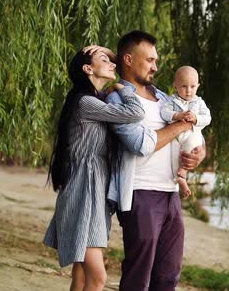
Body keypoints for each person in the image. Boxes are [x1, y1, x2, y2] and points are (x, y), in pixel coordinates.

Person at [106, 30, 206, 291]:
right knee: (139, 276)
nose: (155, 66)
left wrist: (199, 154)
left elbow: (195, 132)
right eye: (149, 59)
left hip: (171, 193)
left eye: (156, 60)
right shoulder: (117, 99)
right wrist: (181, 127)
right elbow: (140, 144)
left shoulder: (163, 97)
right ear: (128, 60)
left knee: (169, 275)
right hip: (140, 194)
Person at [43, 47, 145, 291]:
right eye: (104, 60)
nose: (112, 63)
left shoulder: (92, 101)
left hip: (93, 188)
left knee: (81, 275)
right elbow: (136, 113)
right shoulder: (86, 103)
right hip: (83, 190)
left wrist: (108, 52)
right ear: (88, 69)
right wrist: (123, 87)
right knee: (98, 278)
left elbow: (119, 64)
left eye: (111, 60)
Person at [160, 66, 211, 198]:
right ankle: (179, 179)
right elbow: (164, 113)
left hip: (192, 134)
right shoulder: (171, 101)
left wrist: (196, 118)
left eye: (192, 87)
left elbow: (207, 118)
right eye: (184, 86)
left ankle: (183, 172)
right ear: (175, 86)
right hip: (174, 136)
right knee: (174, 156)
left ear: (198, 86)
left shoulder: (199, 103)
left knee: (193, 147)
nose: (188, 91)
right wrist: (177, 115)